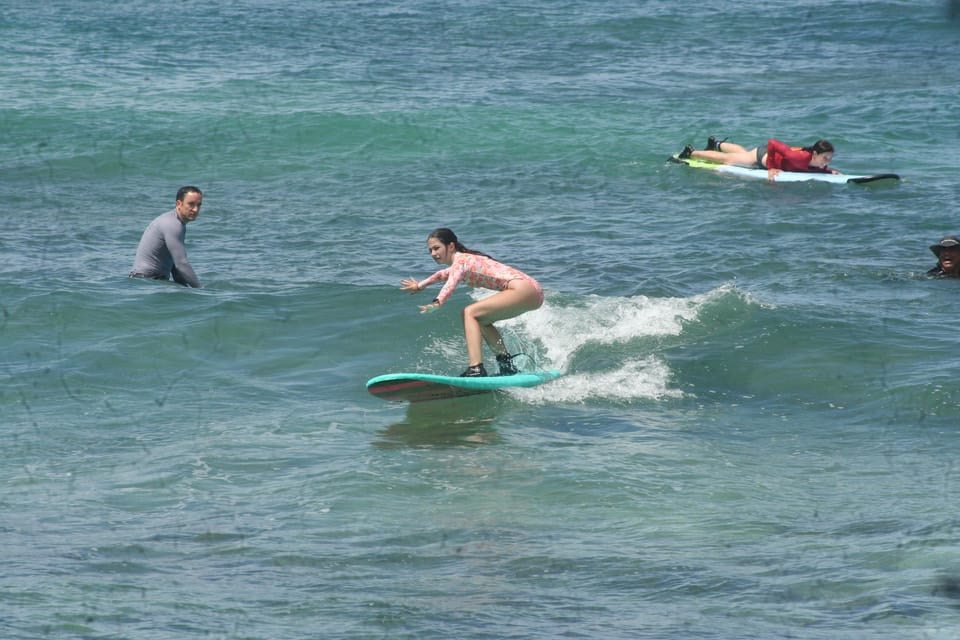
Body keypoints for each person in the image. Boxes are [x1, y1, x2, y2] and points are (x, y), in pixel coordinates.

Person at [400, 228, 544, 377]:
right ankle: (506, 365)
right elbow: (441, 275)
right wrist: (419, 286)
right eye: (430, 250)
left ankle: (476, 368)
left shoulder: (460, 261)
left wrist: (438, 302)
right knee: (481, 320)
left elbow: (451, 283)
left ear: (451, 246)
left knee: (469, 312)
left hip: (523, 289)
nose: (433, 254)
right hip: (533, 293)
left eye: (436, 248)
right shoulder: (463, 262)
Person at [130, 186, 204, 288]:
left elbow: (176, 269)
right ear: (178, 204)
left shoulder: (176, 223)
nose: (195, 209)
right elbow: (182, 264)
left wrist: (186, 289)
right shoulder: (173, 225)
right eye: (191, 204)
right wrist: (201, 290)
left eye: (198, 205)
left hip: (143, 282)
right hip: (148, 283)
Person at [677, 136, 839, 181]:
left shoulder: (818, 162)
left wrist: (830, 172)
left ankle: (716, 143)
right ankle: (690, 153)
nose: (827, 162)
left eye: (830, 159)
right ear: (815, 154)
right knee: (728, 160)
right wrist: (772, 167)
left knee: (741, 153)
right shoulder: (796, 156)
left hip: (765, 157)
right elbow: (772, 143)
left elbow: (818, 168)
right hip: (764, 156)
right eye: (825, 158)